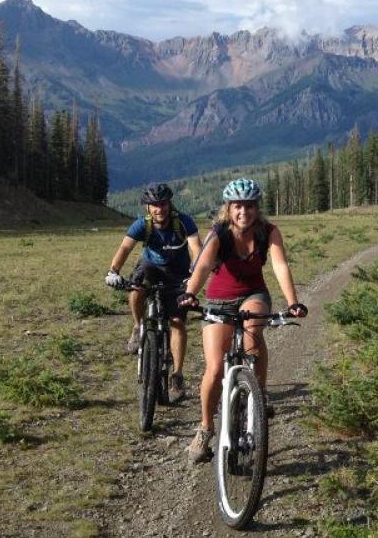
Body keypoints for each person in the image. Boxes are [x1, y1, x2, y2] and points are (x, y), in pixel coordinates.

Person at [179, 177, 306, 463]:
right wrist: (189, 294)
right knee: (214, 369)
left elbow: (279, 265)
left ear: (257, 208)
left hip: (253, 294)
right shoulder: (219, 233)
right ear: (228, 208)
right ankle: (205, 429)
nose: (243, 213)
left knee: (253, 335)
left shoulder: (268, 232)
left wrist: (292, 302)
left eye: (249, 206)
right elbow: (201, 267)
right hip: (219, 300)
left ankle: (258, 396)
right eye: (238, 206)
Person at [104, 182, 202, 404]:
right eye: (154, 205)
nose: (159, 209)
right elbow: (125, 248)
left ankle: (177, 375)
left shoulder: (183, 222)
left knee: (177, 321)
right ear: (147, 207)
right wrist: (113, 272)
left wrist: (195, 274)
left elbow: (197, 248)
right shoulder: (142, 225)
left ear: (170, 204)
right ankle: (138, 326)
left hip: (178, 273)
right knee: (137, 286)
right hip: (151, 268)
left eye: (163, 204)